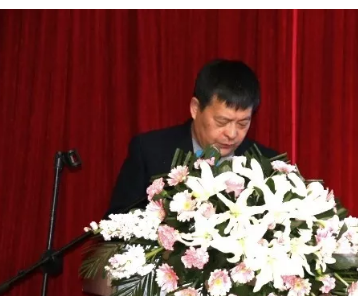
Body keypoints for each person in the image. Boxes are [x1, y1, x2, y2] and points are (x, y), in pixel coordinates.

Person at [106, 59, 280, 216]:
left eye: (242, 123)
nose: (232, 134)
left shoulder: (269, 164)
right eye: (222, 122)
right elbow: (114, 227)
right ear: (195, 109)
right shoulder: (150, 153)